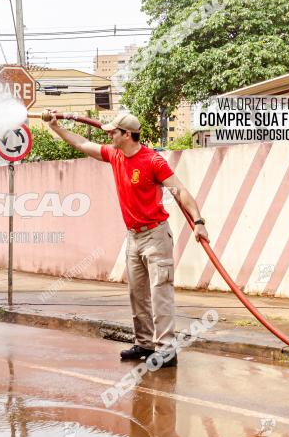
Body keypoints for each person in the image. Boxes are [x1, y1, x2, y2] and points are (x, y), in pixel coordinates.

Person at [45, 110, 209, 367]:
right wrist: (56, 128)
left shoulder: (153, 161)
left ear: (128, 135)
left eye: (113, 131)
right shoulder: (115, 155)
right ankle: (144, 344)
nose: (109, 134)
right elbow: (81, 143)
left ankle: (166, 350)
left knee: (159, 294)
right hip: (133, 237)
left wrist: (198, 222)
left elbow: (180, 190)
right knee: (137, 294)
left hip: (156, 236)